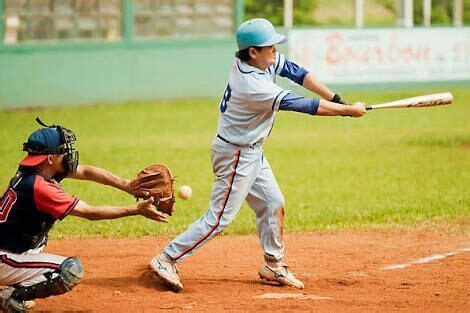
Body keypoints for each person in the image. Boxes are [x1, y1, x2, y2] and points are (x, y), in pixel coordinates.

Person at [149, 18, 366, 292]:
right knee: (219, 218)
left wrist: (336, 99)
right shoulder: (251, 84)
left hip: (250, 150)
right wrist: (348, 111)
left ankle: (273, 265)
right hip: (236, 154)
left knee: (272, 202)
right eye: (270, 48)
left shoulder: (257, 60)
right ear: (253, 51)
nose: (275, 52)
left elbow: (297, 73)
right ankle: (166, 258)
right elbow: (303, 105)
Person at [0, 119, 167, 313]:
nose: (68, 154)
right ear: (50, 158)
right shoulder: (41, 188)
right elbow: (90, 213)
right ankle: (9, 295)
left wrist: (127, 185)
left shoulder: (32, 170)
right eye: (63, 150)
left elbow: (87, 171)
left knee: (40, 241)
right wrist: (136, 210)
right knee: (68, 271)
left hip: (12, 247)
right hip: (5, 258)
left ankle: (14, 285)